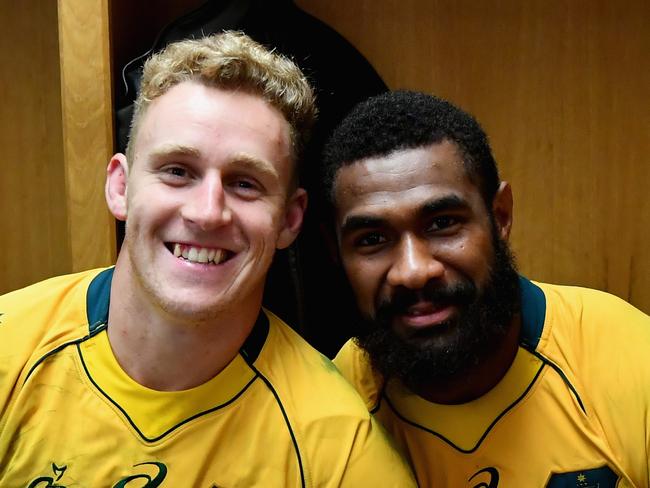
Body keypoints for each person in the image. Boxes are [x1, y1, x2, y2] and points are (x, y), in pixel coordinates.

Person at [0, 33, 415, 487]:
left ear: (289, 220)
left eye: (245, 183)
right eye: (177, 171)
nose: (207, 212)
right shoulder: (11, 347)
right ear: (120, 187)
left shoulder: (340, 450)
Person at [324, 90, 650, 487]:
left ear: (500, 217)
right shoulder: (332, 406)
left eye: (442, 223)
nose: (412, 272)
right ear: (337, 255)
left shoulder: (628, 357)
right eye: (372, 239)